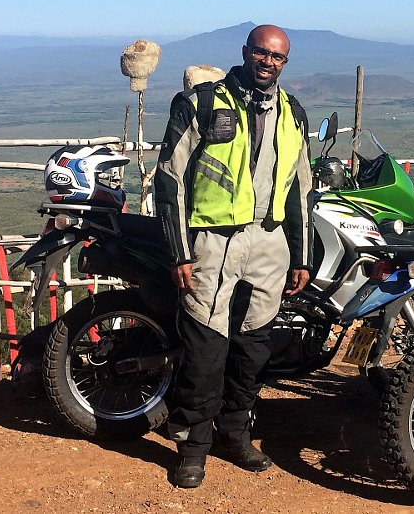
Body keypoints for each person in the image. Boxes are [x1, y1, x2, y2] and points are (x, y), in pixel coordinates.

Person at [154, 24, 313, 489]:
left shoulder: (293, 113)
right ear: (245, 53)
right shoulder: (202, 103)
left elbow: (301, 191)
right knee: (205, 348)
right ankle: (193, 447)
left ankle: (236, 432)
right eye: (261, 53)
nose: (268, 62)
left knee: (253, 346)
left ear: (285, 63)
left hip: (269, 243)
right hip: (213, 242)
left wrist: (299, 256)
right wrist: (179, 252)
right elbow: (170, 179)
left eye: (278, 57)